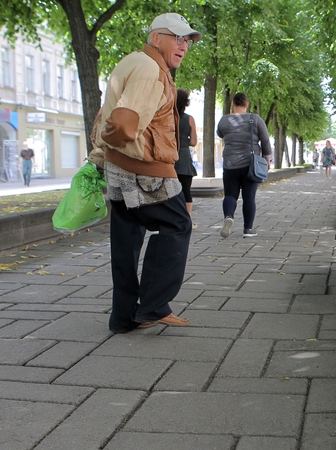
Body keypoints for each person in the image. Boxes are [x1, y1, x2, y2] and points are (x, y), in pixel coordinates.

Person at [94, 12, 201, 333]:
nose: (183, 46)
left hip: (120, 167)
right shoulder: (149, 71)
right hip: (144, 169)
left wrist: (103, 155)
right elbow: (123, 124)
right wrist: (114, 144)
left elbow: (105, 114)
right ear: (157, 38)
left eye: (187, 40)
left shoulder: (132, 62)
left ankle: (124, 317)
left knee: (127, 240)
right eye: (177, 38)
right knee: (178, 225)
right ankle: (153, 306)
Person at [216, 92, 272, 238]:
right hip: (250, 164)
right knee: (249, 197)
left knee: (230, 195)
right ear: (246, 104)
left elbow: (220, 134)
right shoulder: (255, 119)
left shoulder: (224, 120)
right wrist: (267, 159)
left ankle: (229, 216)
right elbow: (265, 140)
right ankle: (248, 229)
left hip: (230, 164)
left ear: (233, 105)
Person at [174, 89, 198, 229]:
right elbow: (194, 142)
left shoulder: (167, 117)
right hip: (183, 158)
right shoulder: (189, 119)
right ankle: (187, 220)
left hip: (169, 157)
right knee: (186, 190)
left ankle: (172, 218)